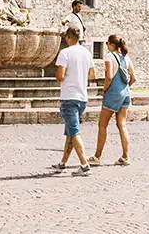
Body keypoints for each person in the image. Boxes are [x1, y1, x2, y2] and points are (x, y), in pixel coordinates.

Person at [52, 27, 95, 175]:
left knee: (74, 132)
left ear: (68, 37)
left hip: (69, 96)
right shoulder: (87, 53)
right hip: (82, 97)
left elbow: (60, 76)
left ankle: (84, 165)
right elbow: (92, 75)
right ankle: (63, 163)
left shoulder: (65, 53)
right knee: (70, 132)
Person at [92, 33, 136, 166]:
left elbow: (109, 76)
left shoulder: (110, 56)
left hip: (112, 94)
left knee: (102, 125)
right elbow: (133, 78)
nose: (106, 46)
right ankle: (125, 156)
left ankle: (97, 156)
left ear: (111, 44)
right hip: (125, 94)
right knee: (122, 125)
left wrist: (104, 89)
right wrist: (124, 89)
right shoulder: (126, 57)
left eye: (107, 43)